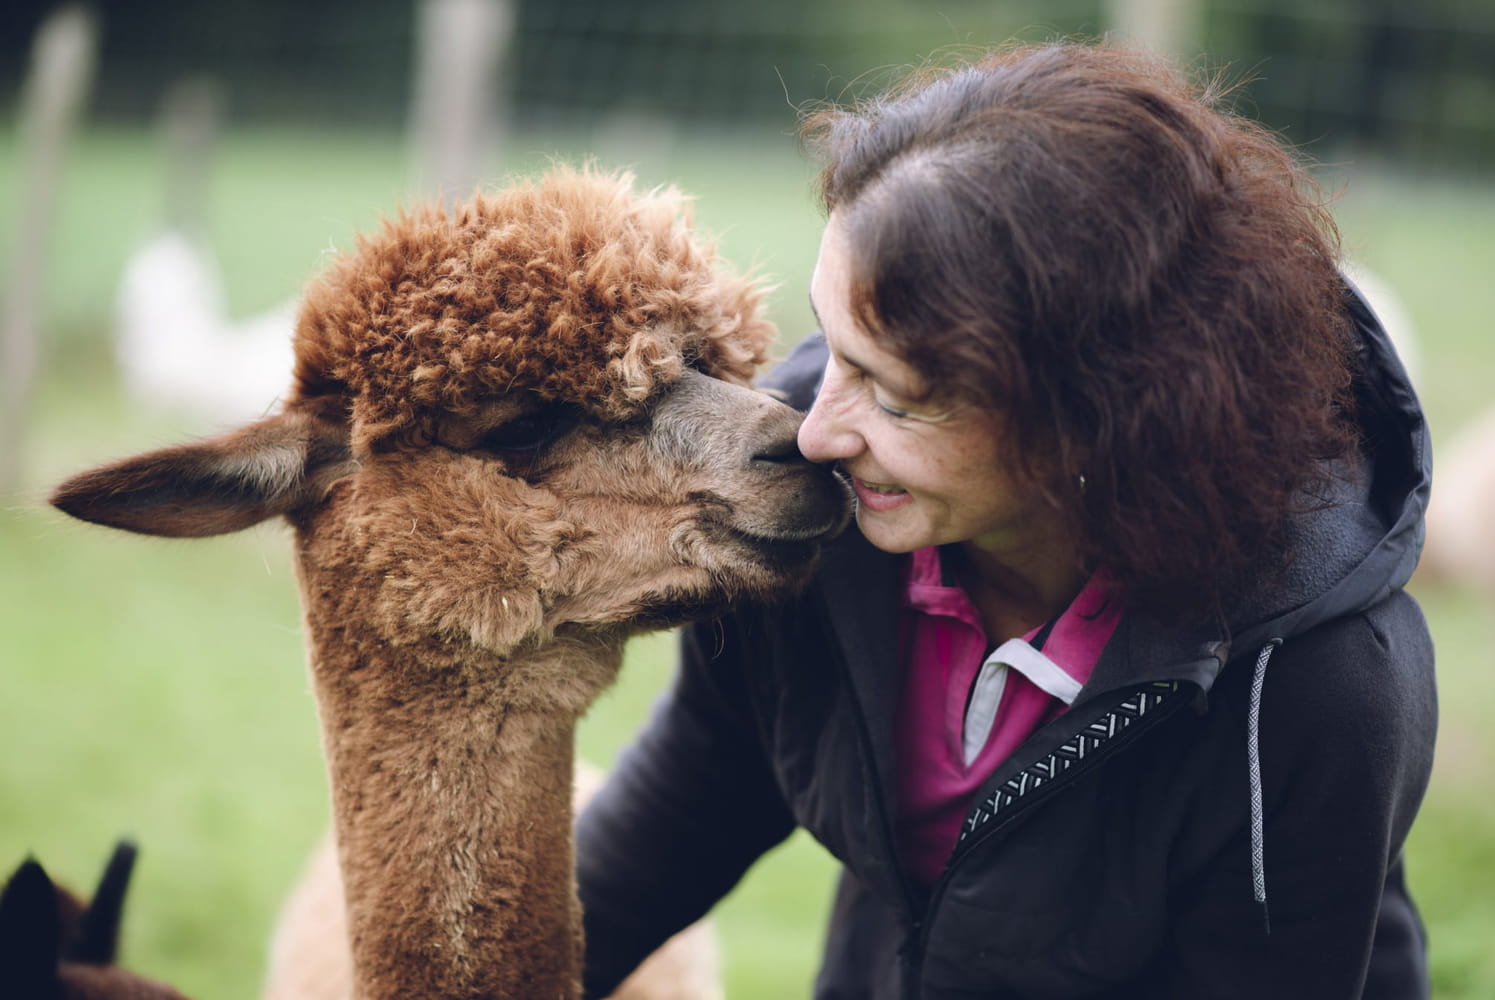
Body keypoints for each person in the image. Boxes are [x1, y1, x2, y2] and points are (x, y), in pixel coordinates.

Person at [576, 40, 1437, 999]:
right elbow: (694, 795)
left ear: (1102, 413)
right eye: (834, 345)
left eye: (897, 395)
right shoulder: (813, 502)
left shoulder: (1316, 691)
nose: (813, 430)